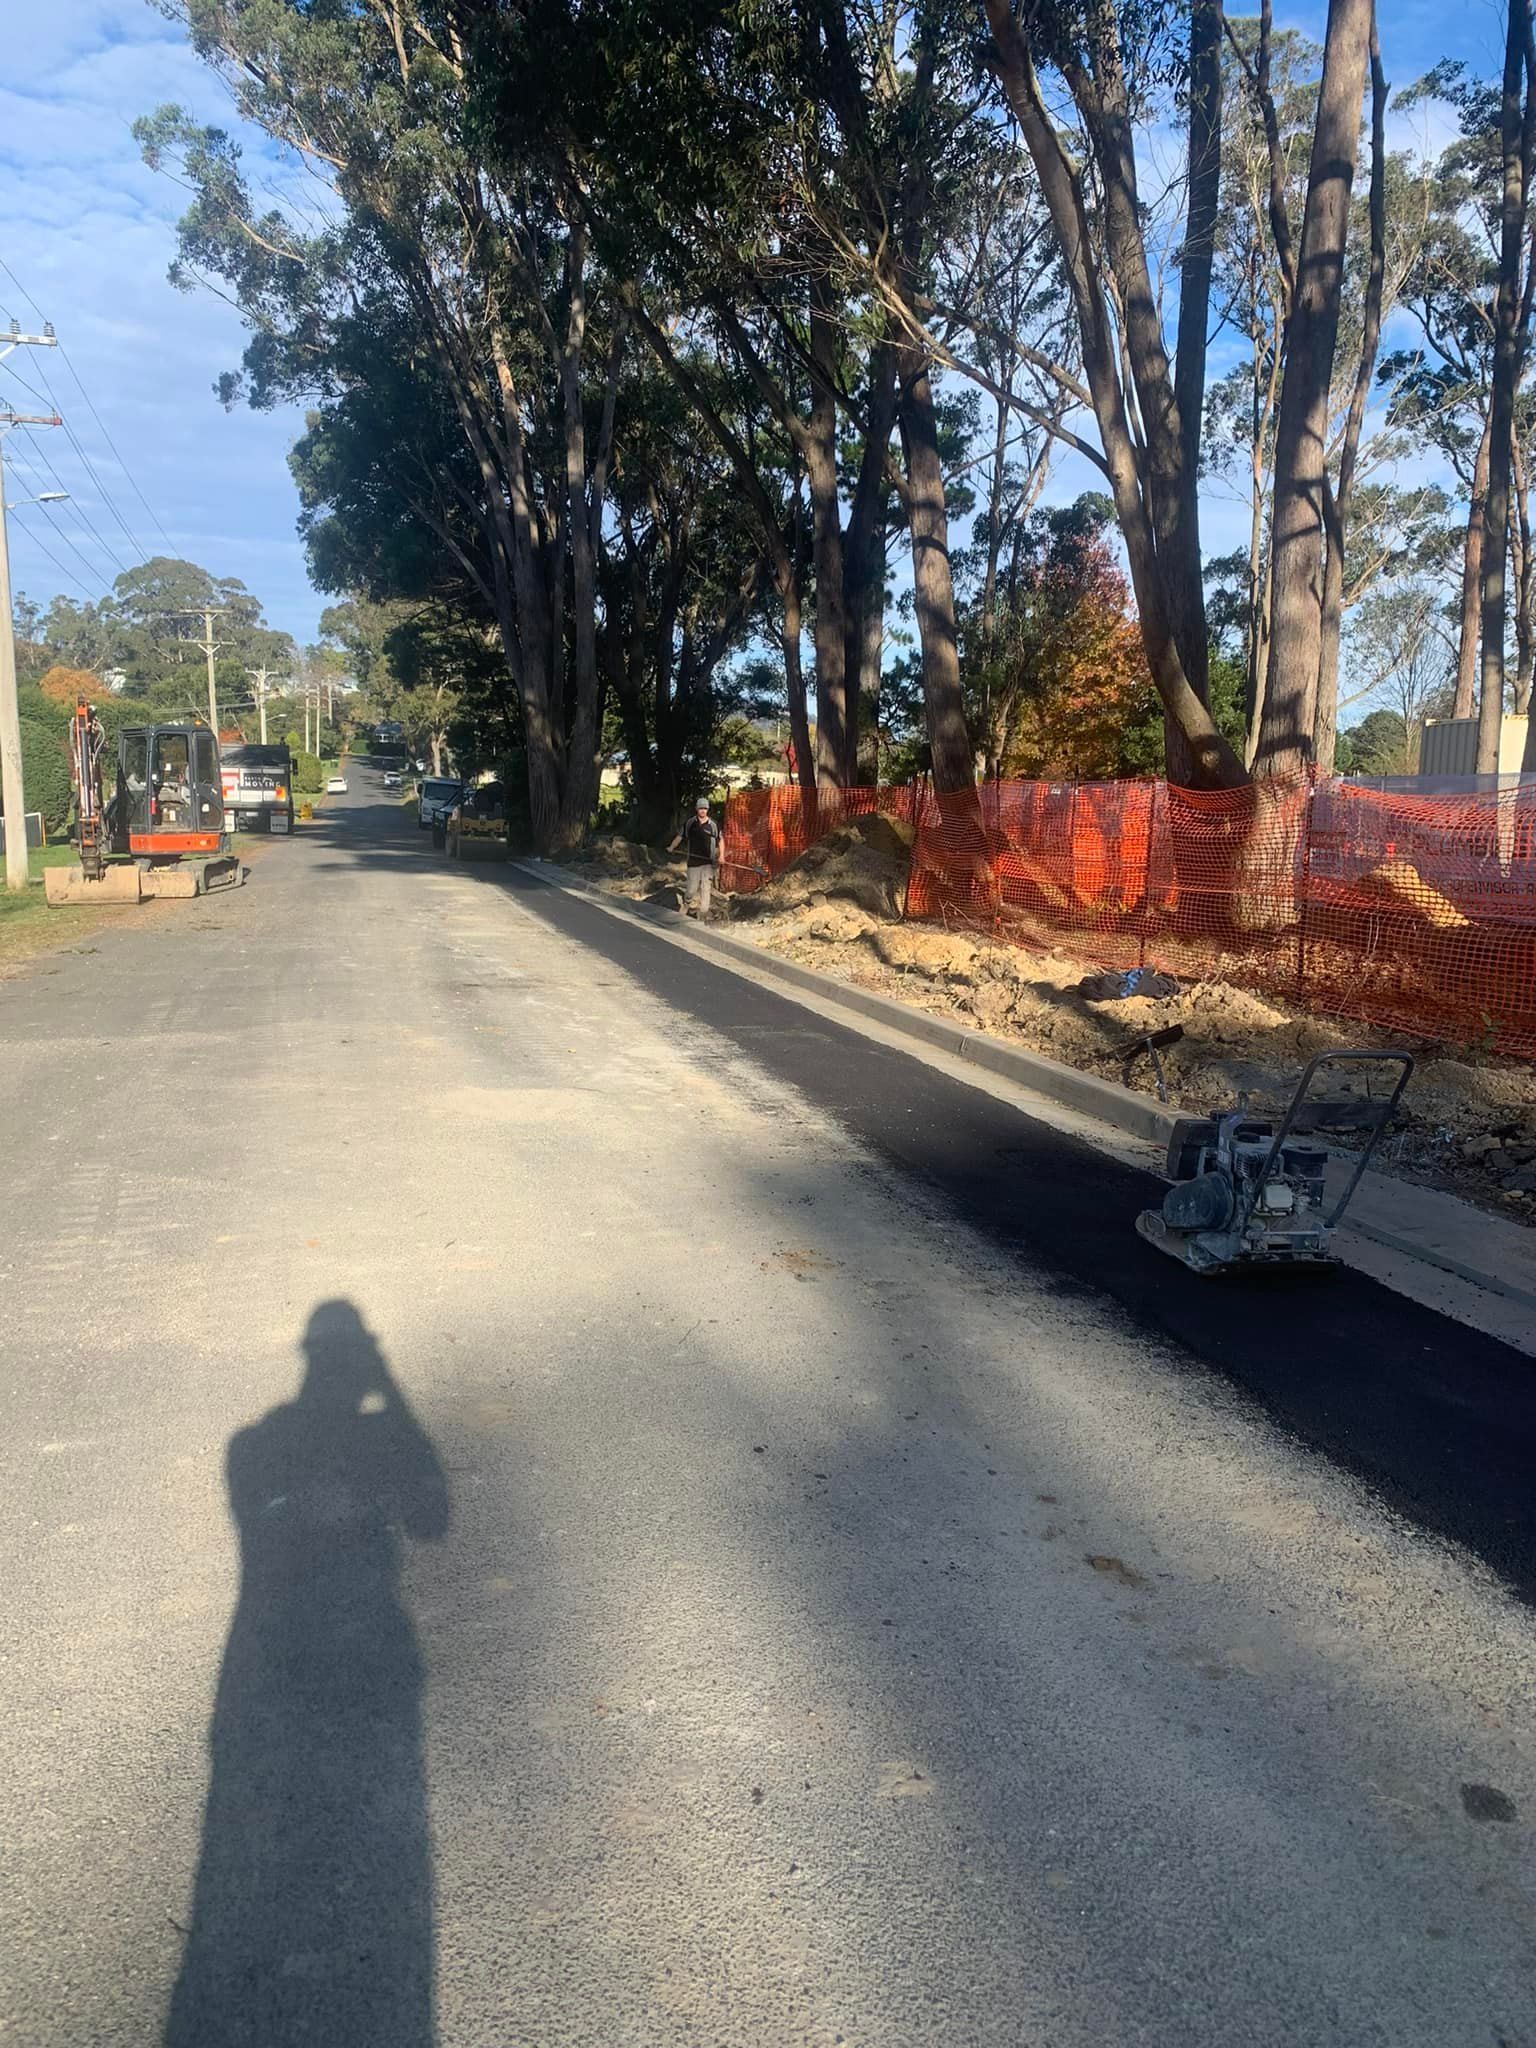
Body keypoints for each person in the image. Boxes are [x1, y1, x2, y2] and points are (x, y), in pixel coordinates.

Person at [668, 796, 722, 917]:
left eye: (705, 808)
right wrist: (672, 847)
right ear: (697, 809)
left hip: (708, 863)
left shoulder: (713, 825)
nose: (703, 811)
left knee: (706, 888)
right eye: (700, 808)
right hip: (693, 862)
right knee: (691, 889)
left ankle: (703, 913)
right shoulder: (690, 823)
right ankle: (686, 903)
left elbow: (721, 841)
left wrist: (721, 856)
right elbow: (680, 837)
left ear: (707, 810)